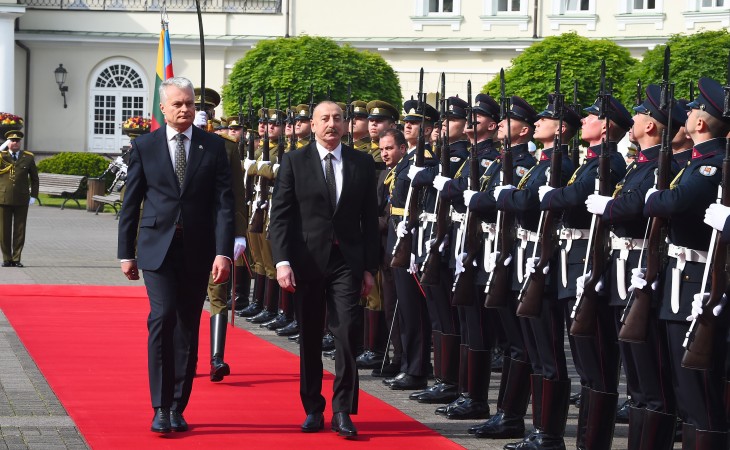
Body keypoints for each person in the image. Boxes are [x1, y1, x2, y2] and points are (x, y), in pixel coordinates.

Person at [117, 76, 234, 433]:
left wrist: (223, 253)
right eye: (178, 104)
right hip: (157, 248)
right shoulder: (146, 146)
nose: (185, 109)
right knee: (162, 316)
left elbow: (224, 205)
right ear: (163, 109)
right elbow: (131, 202)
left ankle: (178, 404)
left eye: (190, 104)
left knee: (187, 324)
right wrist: (126, 253)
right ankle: (160, 405)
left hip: (198, 250)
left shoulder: (213, 147)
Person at [269, 101, 379, 438]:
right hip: (307, 262)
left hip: (346, 261)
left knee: (346, 332)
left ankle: (343, 410)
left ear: (344, 125)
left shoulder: (361, 162)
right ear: (313, 126)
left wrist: (369, 268)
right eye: (324, 119)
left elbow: (369, 222)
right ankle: (313, 407)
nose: (331, 124)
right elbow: (281, 216)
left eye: (337, 119)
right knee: (311, 335)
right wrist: (282, 261)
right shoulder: (294, 161)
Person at [640, 76, 730, 448]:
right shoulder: (698, 163)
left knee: (700, 388)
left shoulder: (712, 164)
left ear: (702, 123)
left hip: (700, 282)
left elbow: (675, 202)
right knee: (687, 388)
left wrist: (652, 197)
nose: (687, 112)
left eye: (693, 108)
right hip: (683, 281)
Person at [0, 130, 38, 267]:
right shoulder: (1, 156)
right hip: (3, 198)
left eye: (17, 141)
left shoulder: (28, 157)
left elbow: (35, 179)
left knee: (20, 229)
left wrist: (33, 195)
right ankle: (6, 258)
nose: (15, 143)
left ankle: (16, 259)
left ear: (20, 142)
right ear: (7, 142)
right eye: (12, 140)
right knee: (4, 231)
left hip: (22, 199)